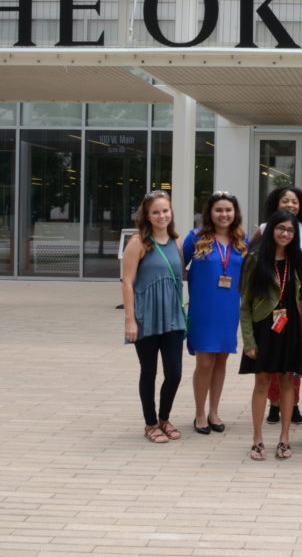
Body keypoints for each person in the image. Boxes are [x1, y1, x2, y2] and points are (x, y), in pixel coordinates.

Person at [239, 210, 302, 460]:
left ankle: (285, 438)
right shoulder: (255, 259)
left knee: (288, 381)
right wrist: (249, 341)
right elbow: (245, 304)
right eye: (281, 228)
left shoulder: (297, 259)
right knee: (263, 382)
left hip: (288, 328)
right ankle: (257, 439)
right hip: (263, 329)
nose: (285, 233)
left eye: (290, 230)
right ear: (271, 230)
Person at [121, 190, 187, 444]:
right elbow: (127, 282)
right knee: (148, 371)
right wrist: (130, 320)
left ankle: (164, 417)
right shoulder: (138, 242)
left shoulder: (177, 242)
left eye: (165, 211)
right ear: (147, 216)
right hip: (146, 316)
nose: (162, 215)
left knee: (174, 373)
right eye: (156, 212)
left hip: (172, 315)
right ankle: (150, 423)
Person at [182, 191, 247, 435]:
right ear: (209, 212)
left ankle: (214, 411)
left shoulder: (242, 240)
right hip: (203, 310)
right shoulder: (196, 237)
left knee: (221, 360)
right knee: (205, 362)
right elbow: (177, 265)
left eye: (228, 210)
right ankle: (199, 413)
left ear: (235, 213)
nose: (224, 214)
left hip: (229, 310)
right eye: (218, 210)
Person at [251, 187, 302, 427]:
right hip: (269, 302)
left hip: (299, 299)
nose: (290, 205)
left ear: (301, 205)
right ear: (275, 204)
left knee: (293, 353)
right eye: (285, 200)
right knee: (271, 351)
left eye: (294, 201)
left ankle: (293, 402)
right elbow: (249, 254)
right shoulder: (265, 229)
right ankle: (273, 403)